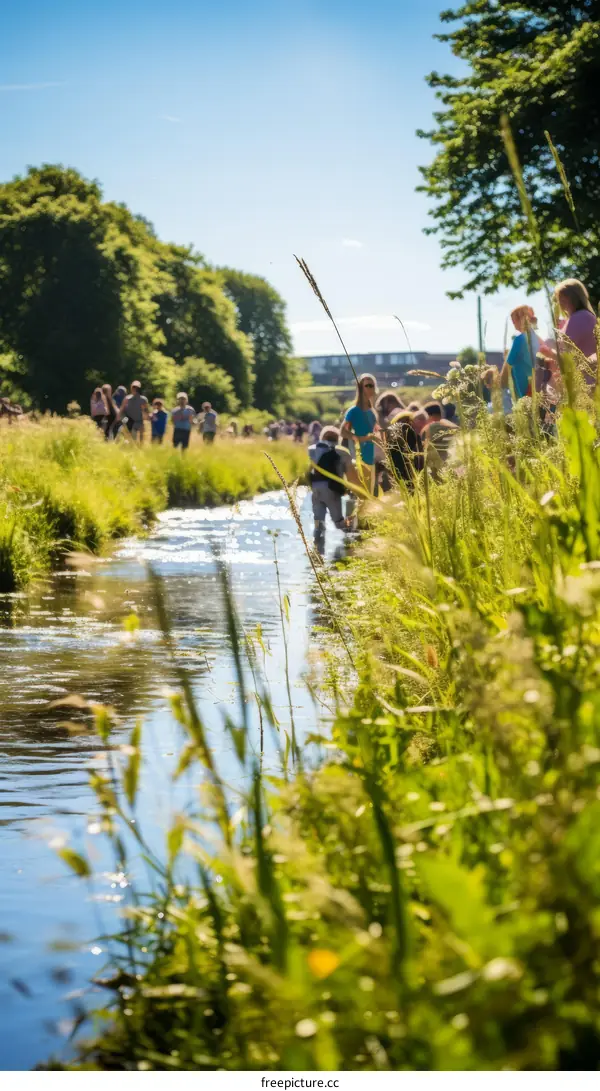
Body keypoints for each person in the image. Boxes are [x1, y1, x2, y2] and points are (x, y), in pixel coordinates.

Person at [308, 425, 360, 543]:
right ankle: (353, 544)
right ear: (338, 438)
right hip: (332, 490)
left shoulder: (311, 449)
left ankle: (317, 553)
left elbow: (307, 471)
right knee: (339, 523)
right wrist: (358, 493)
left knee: (319, 525)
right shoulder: (342, 452)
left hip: (316, 489)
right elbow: (352, 478)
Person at [341, 374, 379, 489]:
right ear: (360, 388)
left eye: (372, 385)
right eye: (367, 385)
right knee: (363, 494)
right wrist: (361, 438)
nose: (370, 388)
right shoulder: (354, 411)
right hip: (360, 458)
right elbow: (343, 432)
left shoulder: (372, 411)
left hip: (373, 458)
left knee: (372, 494)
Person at [500, 306, 542, 399]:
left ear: (522, 318)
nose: (513, 323)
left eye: (514, 320)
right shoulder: (537, 338)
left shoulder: (519, 339)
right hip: (538, 389)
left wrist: (498, 385)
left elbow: (507, 366)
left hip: (526, 392)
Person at [386, 410, 424, 488]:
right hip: (412, 475)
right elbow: (420, 459)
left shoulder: (391, 440)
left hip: (402, 477)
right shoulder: (414, 437)